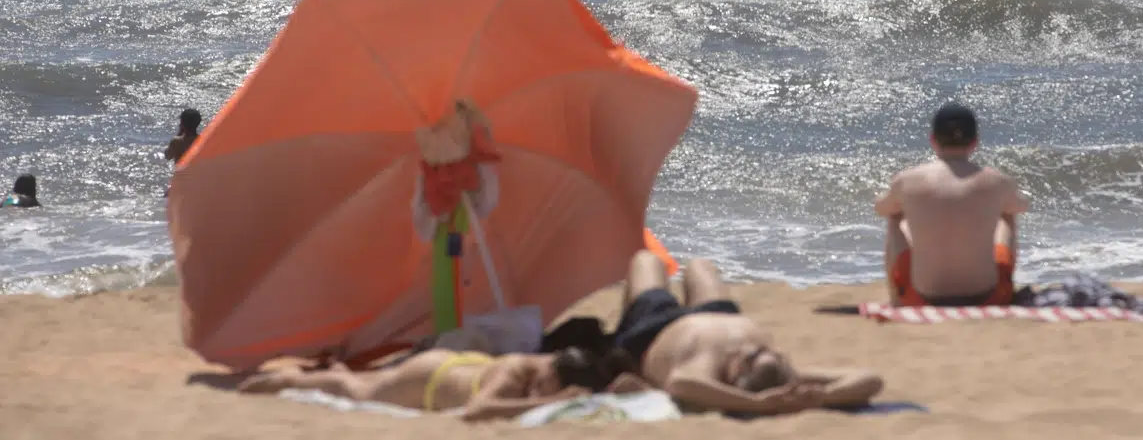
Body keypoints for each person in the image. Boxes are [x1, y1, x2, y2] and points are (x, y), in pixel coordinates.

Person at [614, 250, 883, 416]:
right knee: (700, 265)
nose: (749, 349)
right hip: (721, 313)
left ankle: (614, 350)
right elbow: (870, 379)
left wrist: (755, 404)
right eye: (766, 351)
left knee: (647, 259)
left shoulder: (709, 367)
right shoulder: (783, 375)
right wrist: (824, 396)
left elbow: (680, 382)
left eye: (750, 356)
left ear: (736, 373)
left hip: (653, 328)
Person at [875, 103, 1030, 307]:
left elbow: (881, 208)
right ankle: (1006, 287)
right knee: (1006, 214)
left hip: (920, 298)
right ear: (975, 142)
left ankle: (896, 299)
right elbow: (1021, 206)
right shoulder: (997, 181)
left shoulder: (907, 180)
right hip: (989, 297)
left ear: (933, 140)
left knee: (895, 216)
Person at [239, 346, 642, 422]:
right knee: (349, 390)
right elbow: (477, 411)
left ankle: (336, 369)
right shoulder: (517, 375)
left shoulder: (553, 363)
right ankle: (275, 382)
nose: (541, 390)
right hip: (426, 380)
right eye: (548, 384)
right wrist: (545, 402)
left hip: (455, 366)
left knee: (361, 380)